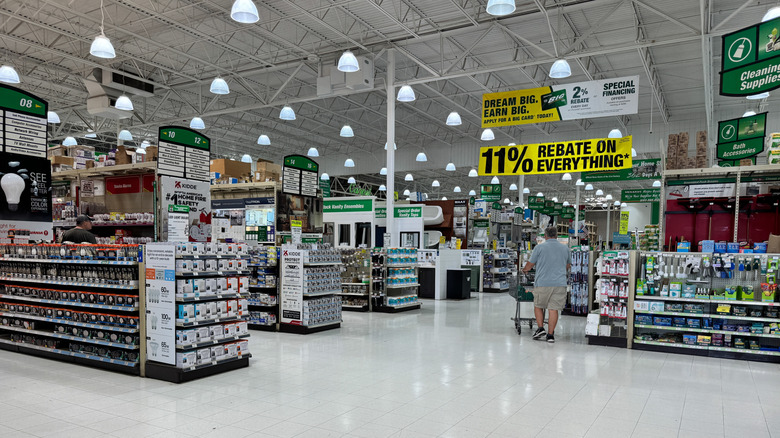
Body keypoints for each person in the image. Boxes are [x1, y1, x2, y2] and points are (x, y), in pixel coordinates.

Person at [522, 226, 570, 343]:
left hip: (543, 283)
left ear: (545, 236)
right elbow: (568, 266)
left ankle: (540, 328)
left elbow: (530, 264)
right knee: (553, 309)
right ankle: (550, 335)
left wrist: (525, 270)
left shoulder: (539, 248)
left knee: (539, 305)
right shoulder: (565, 249)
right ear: (557, 236)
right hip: (559, 283)